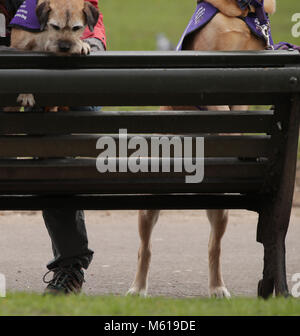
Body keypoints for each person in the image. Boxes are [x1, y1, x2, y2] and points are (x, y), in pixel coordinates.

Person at [0, 0, 106, 294]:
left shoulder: (63, 4)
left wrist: (88, 46)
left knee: (54, 145)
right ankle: (70, 266)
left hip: (54, 91)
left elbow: (94, 25)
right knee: (55, 150)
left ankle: (70, 266)